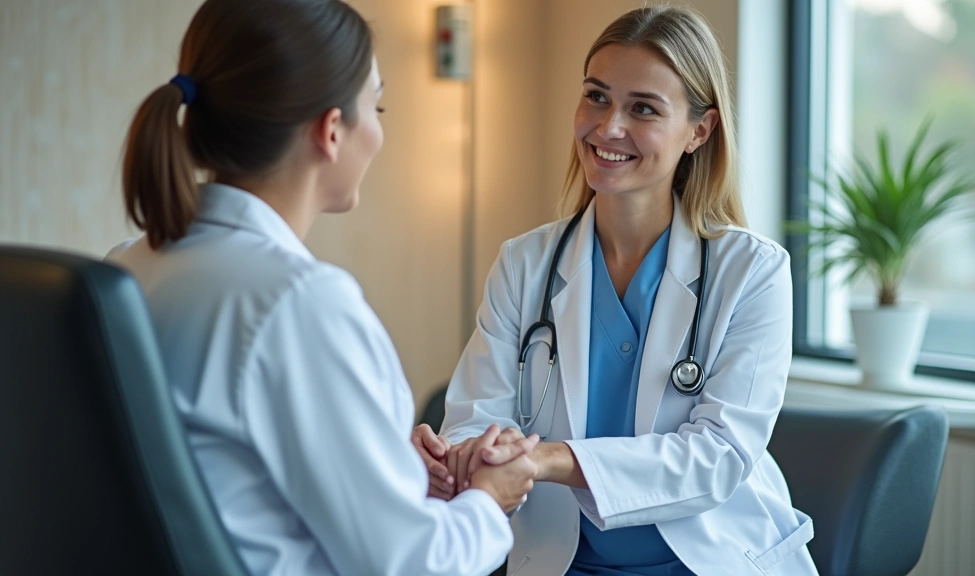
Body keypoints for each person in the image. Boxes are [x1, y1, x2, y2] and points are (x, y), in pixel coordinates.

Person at [106, 1, 539, 575]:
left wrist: (386, 468)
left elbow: (223, 475)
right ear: (331, 130)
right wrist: (491, 499)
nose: (380, 132)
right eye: (377, 106)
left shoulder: (127, 269)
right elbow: (411, 564)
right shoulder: (298, 303)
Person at [412, 6, 817, 576]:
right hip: (563, 560)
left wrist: (550, 459)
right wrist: (461, 455)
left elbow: (718, 457)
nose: (607, 128)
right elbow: (478, 414)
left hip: (706, 561)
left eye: (643, 108)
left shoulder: (752, 272)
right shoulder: (524, 263)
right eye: (596, 97)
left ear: (699, 131)